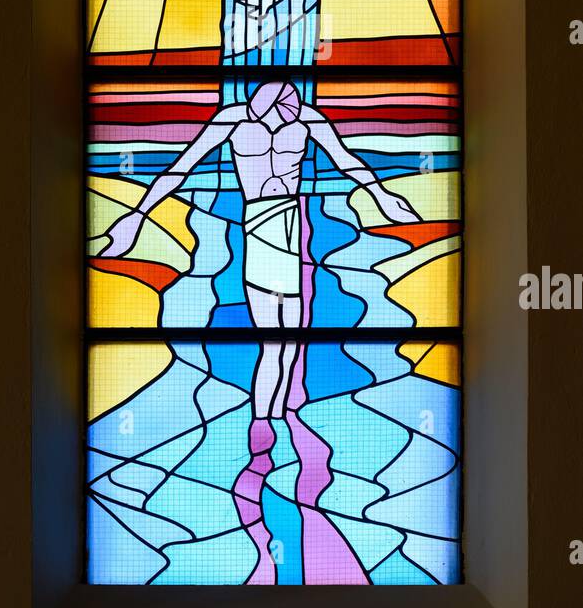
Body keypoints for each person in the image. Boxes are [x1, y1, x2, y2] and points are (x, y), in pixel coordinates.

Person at [101, 81, 420, 420]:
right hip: (260, 228)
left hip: (290, 227)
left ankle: (276, 418)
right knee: (273, 341)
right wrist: (136, 216)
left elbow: (347, 161)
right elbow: (181, 168)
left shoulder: (307, 120)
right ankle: (264, 422)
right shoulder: (232, 120)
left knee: (292, 341)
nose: (282, 119)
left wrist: (382, 195)